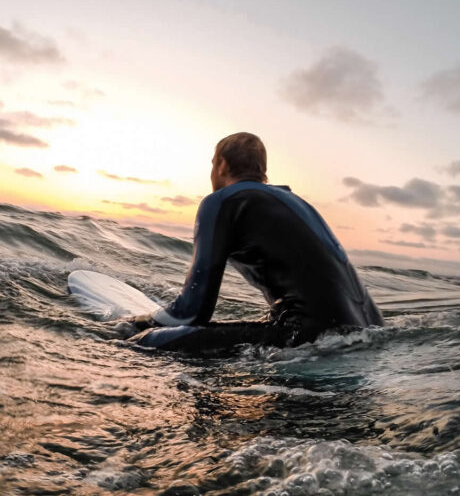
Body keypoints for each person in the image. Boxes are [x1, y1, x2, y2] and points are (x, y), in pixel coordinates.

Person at [128, 132, 384, 352]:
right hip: (369, 333)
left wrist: (134, 323)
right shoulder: (296, 203)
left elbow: (192, 313)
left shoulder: (223, 201)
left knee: (147, 342)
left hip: (311, 339)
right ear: (262, 170)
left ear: (221, 165)